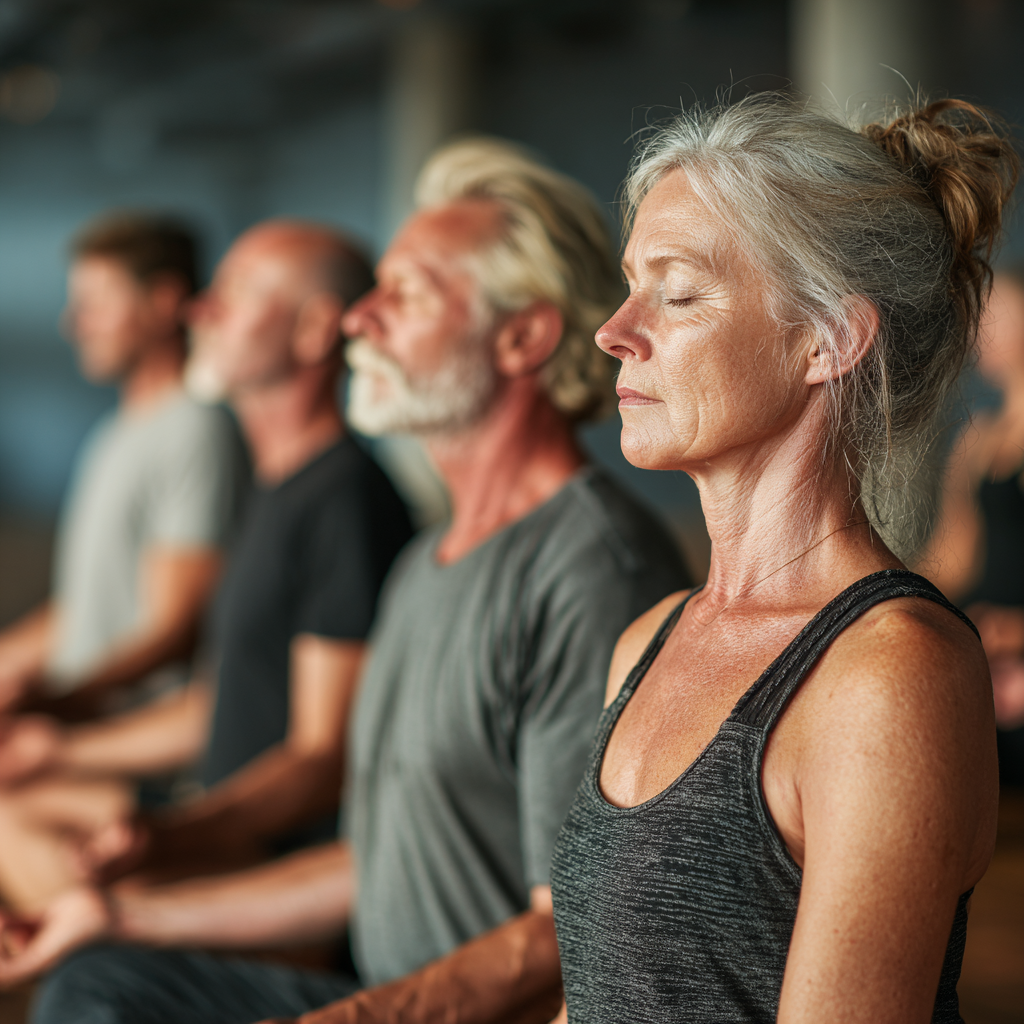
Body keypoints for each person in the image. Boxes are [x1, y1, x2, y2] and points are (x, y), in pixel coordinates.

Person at [0, 138, 690, 1024]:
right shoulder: (423, 565)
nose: (360, 320)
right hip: (370, 987)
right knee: (98, 976)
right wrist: (122, 914)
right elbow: (372, 859)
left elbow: (574, 929)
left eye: (406, 295)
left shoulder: (591, 565)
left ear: (522, 336)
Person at [548, 94, 1017, 1024]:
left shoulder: (890, 673)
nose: (614, 328)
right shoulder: (649, 638)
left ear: (828, 339)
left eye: (676, 293)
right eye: (631, 283)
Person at [0, 221, 413, 911]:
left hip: (275, 869)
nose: (202, 309)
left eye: (238, 292)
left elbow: (323, 757)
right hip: (217, 826)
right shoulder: (272, 489)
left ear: (315, 331)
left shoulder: (344, 499)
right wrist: (59, 751)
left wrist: (173, 836)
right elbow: (215, 705)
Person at [0, 213, 240, 718]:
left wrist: (63, 703)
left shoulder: (193, 429)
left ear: (163, 302)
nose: (74, 323)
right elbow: (88, 611)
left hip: (132, 743)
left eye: (96, 305)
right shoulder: (117, 433)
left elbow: (175, 627)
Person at [922, 271, 1024, 785]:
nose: (983, 329)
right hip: (982, 643)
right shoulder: (976, 437)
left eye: (1001, 312)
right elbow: (953, 556)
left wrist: (1013, 632)